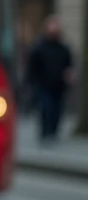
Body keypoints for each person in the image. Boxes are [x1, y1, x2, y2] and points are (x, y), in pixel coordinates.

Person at [26, 15, 75, 145]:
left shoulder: (63, 48)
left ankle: (53, 131)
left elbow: (69, 64)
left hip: (59, 85)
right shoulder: (39, 47)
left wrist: (69, 75)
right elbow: (32, 66)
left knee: (57, 110)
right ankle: (45, 132)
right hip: (43, 84)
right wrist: (31, 82)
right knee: (46, 108)